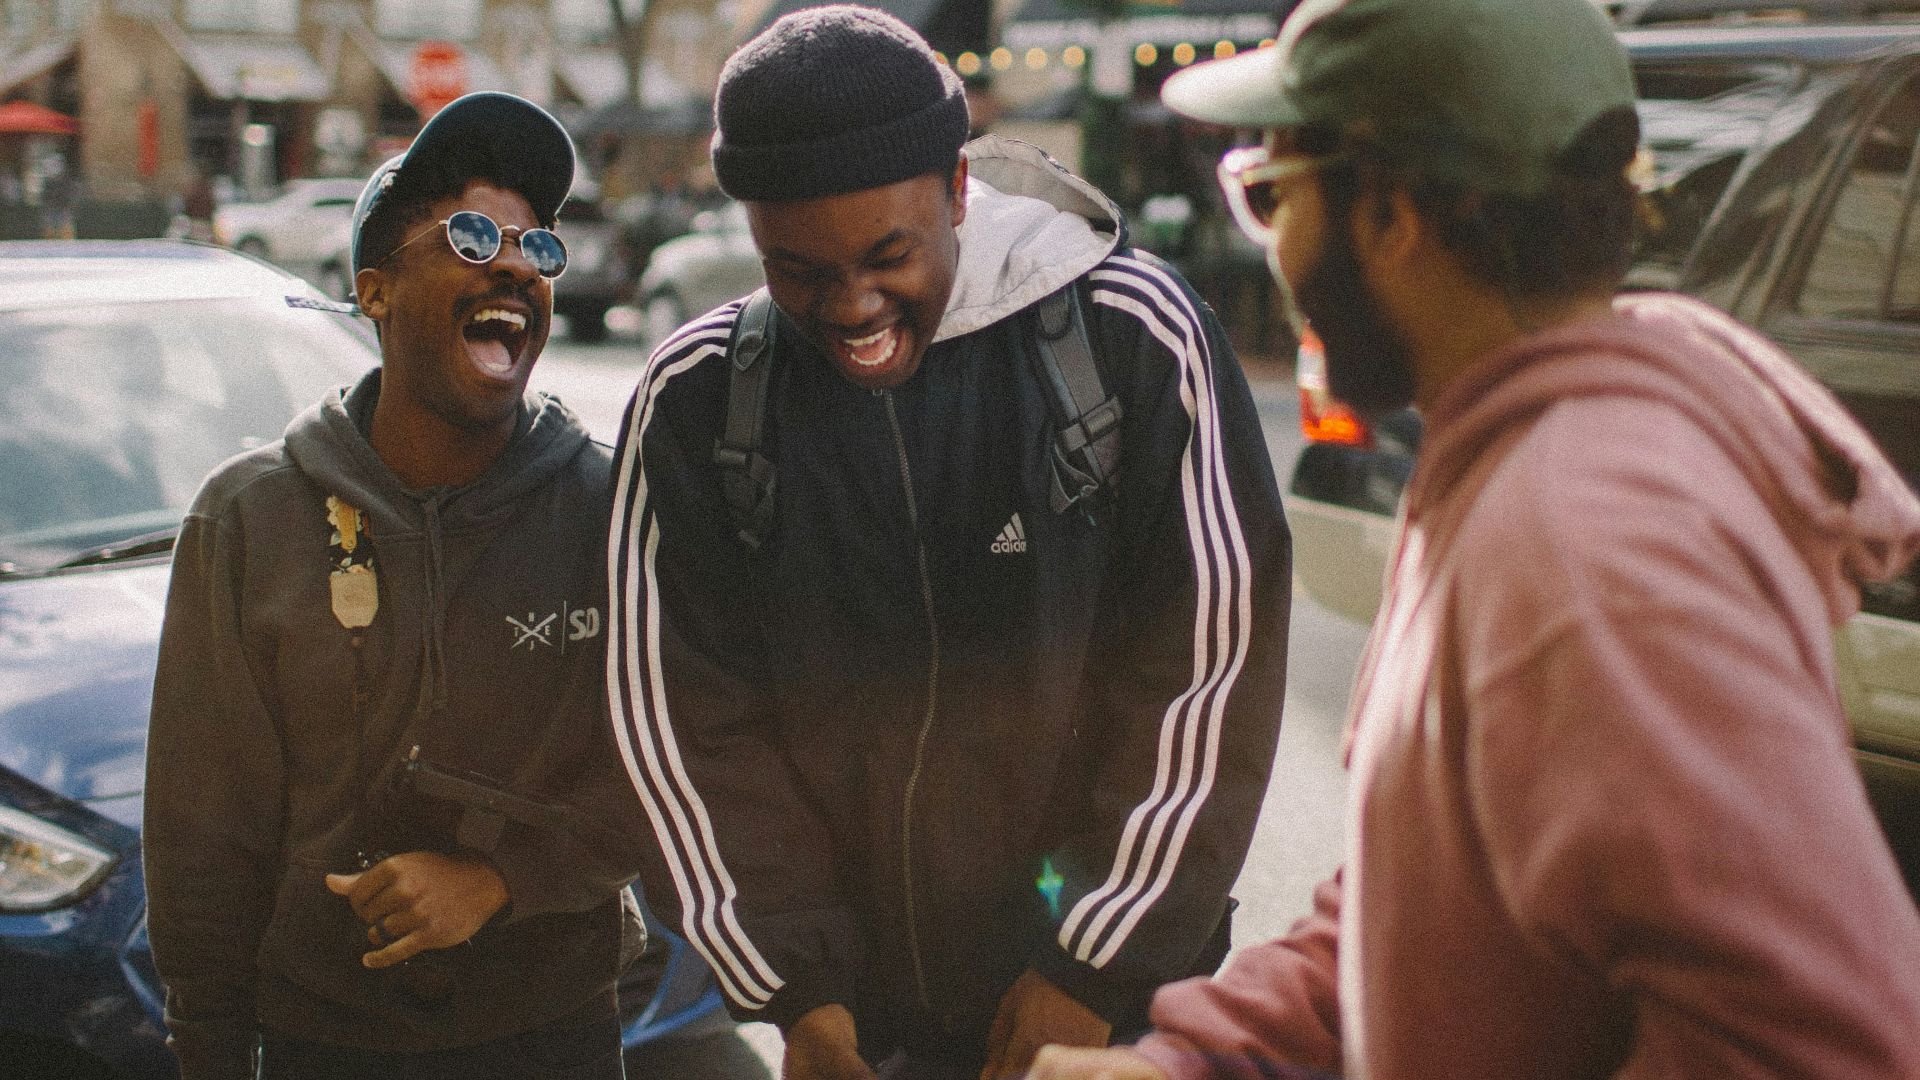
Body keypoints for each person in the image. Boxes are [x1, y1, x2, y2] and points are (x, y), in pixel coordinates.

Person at [1028, 0, 1920, 1078]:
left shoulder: (1585, 548)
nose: (1275, 252)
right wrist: (1191, 1063)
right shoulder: (1517, 467)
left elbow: (1813, 1046)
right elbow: (1429, 897)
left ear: (1396, 213)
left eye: (1274, 197)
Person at [605, 7, 1292, 1080]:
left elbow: (1209, 674)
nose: (854, 307)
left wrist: (1091, 964)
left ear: (960, 192)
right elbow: (684, 725)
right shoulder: (694, 403)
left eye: (889, 257)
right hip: (859, 1031)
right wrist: (801, 992)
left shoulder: (1132, 337)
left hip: (1122, 1017)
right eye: (800, 272)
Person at [144, 92, 645, 1080]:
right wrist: (207, 1046)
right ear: (373, 290)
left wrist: (500, 880)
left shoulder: (610, 504)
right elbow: (205, 832)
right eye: (468, 236)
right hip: (324, 1043)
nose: (511, 263)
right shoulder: (250, 520)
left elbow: (676, 770)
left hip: (555, 1033)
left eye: (537, 247)